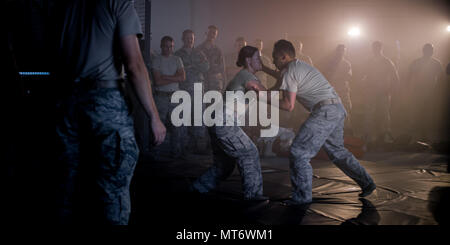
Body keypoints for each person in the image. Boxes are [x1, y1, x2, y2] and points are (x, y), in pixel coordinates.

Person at [56, 0, 166, 225]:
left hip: (64, 102)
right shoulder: (118, 2)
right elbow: (134, 65)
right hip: (104, 101)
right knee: (112, 189)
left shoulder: (61, 5)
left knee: (66, 188)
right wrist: (154, 116)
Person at [262, 40, 376, 205]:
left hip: (325, 112)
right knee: (337, 152)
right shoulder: (299, 66)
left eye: (274, 58)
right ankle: (367, 183)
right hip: (337, 108)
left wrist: (259, 96)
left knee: (299, 152)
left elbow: (288, 105)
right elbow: (280, 78)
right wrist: (262, 69)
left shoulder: (289, 72)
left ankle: (302, 198)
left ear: (283, 56)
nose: (272, 62)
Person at [191, 46, 270, 202]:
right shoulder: (246, 75)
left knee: (224, 165)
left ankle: (198, 188)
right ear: (248, 60)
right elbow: (265, 94)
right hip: (223, 121)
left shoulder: (245, 76)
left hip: (217, 120)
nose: (260, 61)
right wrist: (281, 77)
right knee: (249, 152)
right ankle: (253, 197)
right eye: (257, 58)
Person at [174, 29, 210, 154]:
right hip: (183, 89)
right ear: (183, 39)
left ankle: (199, 147)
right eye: (187, 38)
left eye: (192, 38)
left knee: (199, 118)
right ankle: (184, 147)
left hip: (198, 88)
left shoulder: (199, 53)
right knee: (184, 118)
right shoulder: (177, 54)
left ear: (194, 39)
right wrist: (196, 65)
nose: (189, 40)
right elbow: (176, 69)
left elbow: (206, 67)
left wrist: (191, 65)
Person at [151, 36, 186, 159]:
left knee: (177, 126)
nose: (169, 49)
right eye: (166, 46)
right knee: (159, 126)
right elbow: (157, 81)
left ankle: (175, 154)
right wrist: (173, 77)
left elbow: (182, 78)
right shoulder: (157, 60)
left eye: (171, 46)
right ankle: (156, 154)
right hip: (161, 98)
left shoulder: (177, 59)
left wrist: (165, 76)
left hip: (175, 97)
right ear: (161, 46)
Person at [361, 41, 399, 148]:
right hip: (371, 91)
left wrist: (391, 90)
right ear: (372, 48)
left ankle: (385, 136)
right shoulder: (369, 61)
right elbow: (363, 75)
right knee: (369, 114)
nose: (375, 49)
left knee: (384, 114)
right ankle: (368, 136)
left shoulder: (387, 61)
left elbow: (395, 77)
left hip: (383, 92)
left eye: (377, 47)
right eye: (374, 47)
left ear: (381, 48)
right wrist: (364, 87)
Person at [406, 43, 444, 142]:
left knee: (427, 113)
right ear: (424, 51)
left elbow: (441, 79)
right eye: (428, 50)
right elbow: (409, 76)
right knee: (418, 113)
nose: (429, 52)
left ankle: (424, 135)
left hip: (430, 92)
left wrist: (438, 91)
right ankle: (417, 135)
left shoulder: (436, 63)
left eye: (430, 50)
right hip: (419, 91)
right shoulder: (418, 62)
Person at [322, 44, 354, 134]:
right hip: (332, 92)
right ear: (336, 51)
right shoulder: (329, 64)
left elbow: (348, 76)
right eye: (340, 50)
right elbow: (325, 76)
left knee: (346, 110)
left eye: (343, 51)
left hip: (343, 91)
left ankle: (346, 131)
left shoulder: (346, 63)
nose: (341, 53)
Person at [198, 25, 226, 93]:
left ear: (216, 35)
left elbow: (222, 69)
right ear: (206, 33)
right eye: (210, 32)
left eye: (214, 33)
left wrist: (224, 85)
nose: (212, 35)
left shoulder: (218, 50)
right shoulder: (198, 49)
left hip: (215, 84)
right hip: (202, 83)